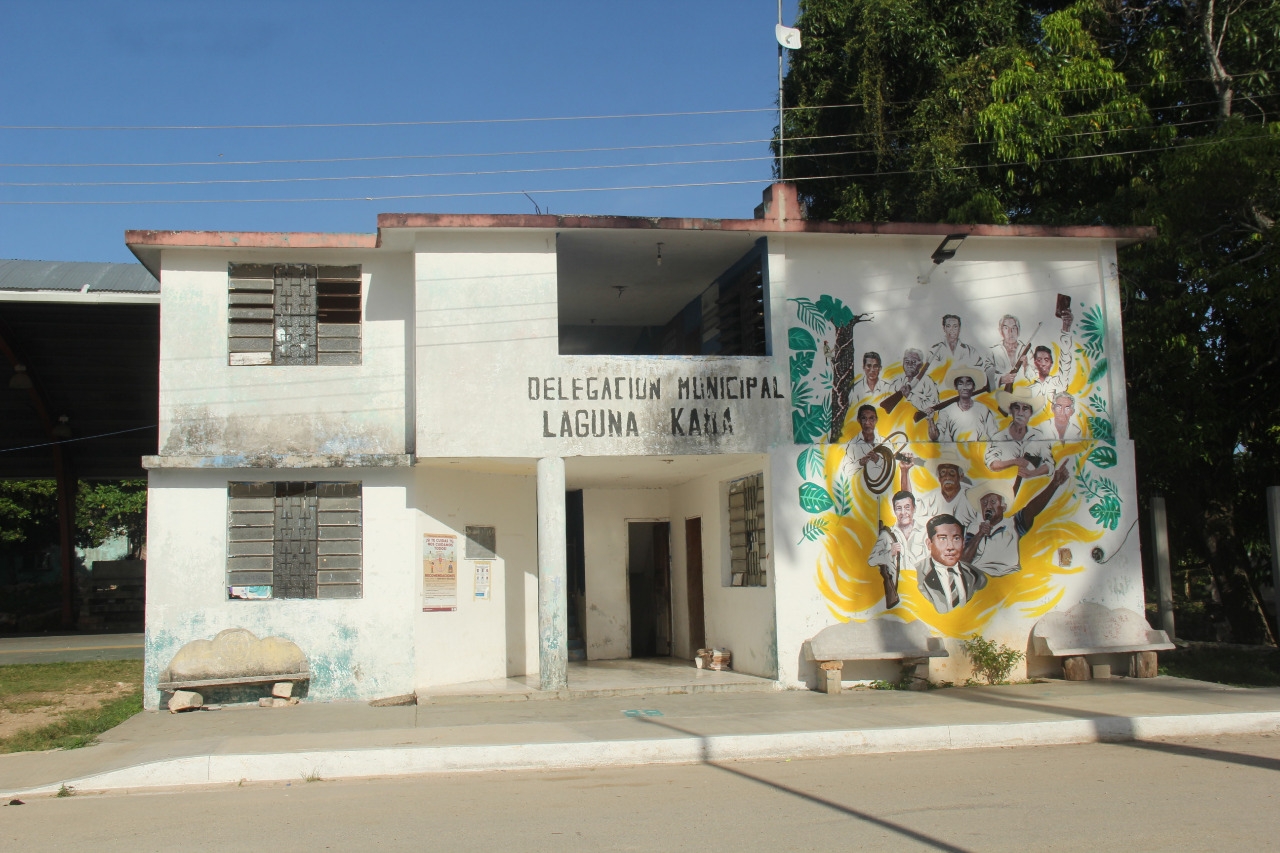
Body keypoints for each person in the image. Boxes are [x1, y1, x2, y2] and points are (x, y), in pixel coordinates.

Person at [963, 462, 1072, 577]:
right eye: (984, 503)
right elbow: (964, 560)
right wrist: (980, 534)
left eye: (993, 502)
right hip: (981, 580)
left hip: (1009, 579)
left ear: (1003, 507)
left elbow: (1031, 509)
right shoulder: (974, 528)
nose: (988, 506)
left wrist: (1054, 484)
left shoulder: (1012, 523)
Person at [915, 514, 988, 614]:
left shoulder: (976, 575)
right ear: (929, 544)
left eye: (956, 538)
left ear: (963, 543)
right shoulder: (915, 574)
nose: (950, 547)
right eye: (942, 538)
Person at [868, 490, 927, 608]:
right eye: (899, 508)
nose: (903, 512)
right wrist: (889, 554)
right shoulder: (886, 535)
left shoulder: (925, 533)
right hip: (899, 599)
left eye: (907, 507)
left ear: (914, 508)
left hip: (922, 597)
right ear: (894, 511)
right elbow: (871, 560)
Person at [900, 448, 979, 532]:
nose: (947, 477)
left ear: (960, 476)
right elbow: (907, 503)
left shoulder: (970, 497)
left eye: (952, 472)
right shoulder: (933, 498)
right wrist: (904, 471)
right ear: (939, 478)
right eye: (943, 472)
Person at [986, 387, 1053, 481]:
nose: (1020, 413)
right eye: (1016, 408)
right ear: (1011, 411)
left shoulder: (1038, 436)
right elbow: (992, 464)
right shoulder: (999, 437)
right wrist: (1015, 462)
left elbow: (1049, 464)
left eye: (1025, 409)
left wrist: (1032, 473)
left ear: (1030, 413)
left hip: (1030, 491)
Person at [927, 366, 997, 442]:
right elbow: (935, 437)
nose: (965, 387)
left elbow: (994, 434)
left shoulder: (983, 409)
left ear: (974, 387)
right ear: (956, 387)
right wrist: (930, 420)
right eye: (961, 383)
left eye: (968, 383)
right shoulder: (946, 411)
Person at [1027, 307, 1075, 405]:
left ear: (1051, 363)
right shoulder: (1030, 389)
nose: (1043, 363)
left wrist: (1066, 328)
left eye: (1046, 359)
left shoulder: (1058, 382)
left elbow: (1065, 360)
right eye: (1039, 360)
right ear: (1035, 362)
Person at [927, 314, 992, 374]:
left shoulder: (970, 351)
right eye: (948, 326)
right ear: (944, 328)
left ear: (959, 328)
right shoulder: (935, 350)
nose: (952, 330)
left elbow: (979, 371)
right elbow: (931, 372)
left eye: (955, 326)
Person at [884, 348, 939, 414]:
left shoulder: (927, 382)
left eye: (913, 362)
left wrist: (910, 396)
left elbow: (933, 407)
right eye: (907, 362)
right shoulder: (898, 382)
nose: (909, 365)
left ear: (921, 365)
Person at [839, 405, 882, 479]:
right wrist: (860, 463)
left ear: (876, 420)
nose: (867, 423)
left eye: (871, 418)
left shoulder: (885, 441)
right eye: (864, 418)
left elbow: (893, 466)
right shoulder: (852, 444)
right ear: (858, 420)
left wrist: (878, 460)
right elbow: (845, 470)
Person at [988, 314, 1030, 389]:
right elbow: (986, 376)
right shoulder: (993, 352)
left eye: (1014, 328)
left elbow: (1036, 377)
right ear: (1001, 331)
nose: (1010, 332)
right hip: (998, 397)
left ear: (1018, 330)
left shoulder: (1027, 351)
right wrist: (1001, 379)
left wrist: (1026, 366)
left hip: (1023, 394)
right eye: (1006, 328)